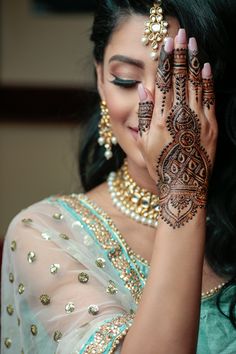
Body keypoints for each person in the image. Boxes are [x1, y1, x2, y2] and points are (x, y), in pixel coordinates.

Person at [1, 0, 236, 353]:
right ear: (100, 79)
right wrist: (182, 188)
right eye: (126, 80)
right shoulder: (46, 233)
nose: (153, 110)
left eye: (176, 82)